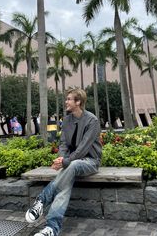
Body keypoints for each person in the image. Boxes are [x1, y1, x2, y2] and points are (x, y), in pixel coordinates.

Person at [25, 88, 102, 236]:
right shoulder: (66, 120)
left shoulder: (92, 120)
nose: (66, 102)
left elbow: (83, 148)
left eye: (69, 99)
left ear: (78, 102)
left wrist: (65, 162)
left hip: (90, 161)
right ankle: (52, 229)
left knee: (72, 165)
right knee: (64, 188)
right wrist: (61, 159)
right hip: (71, 162)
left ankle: (42, 199)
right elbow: (64, 144)